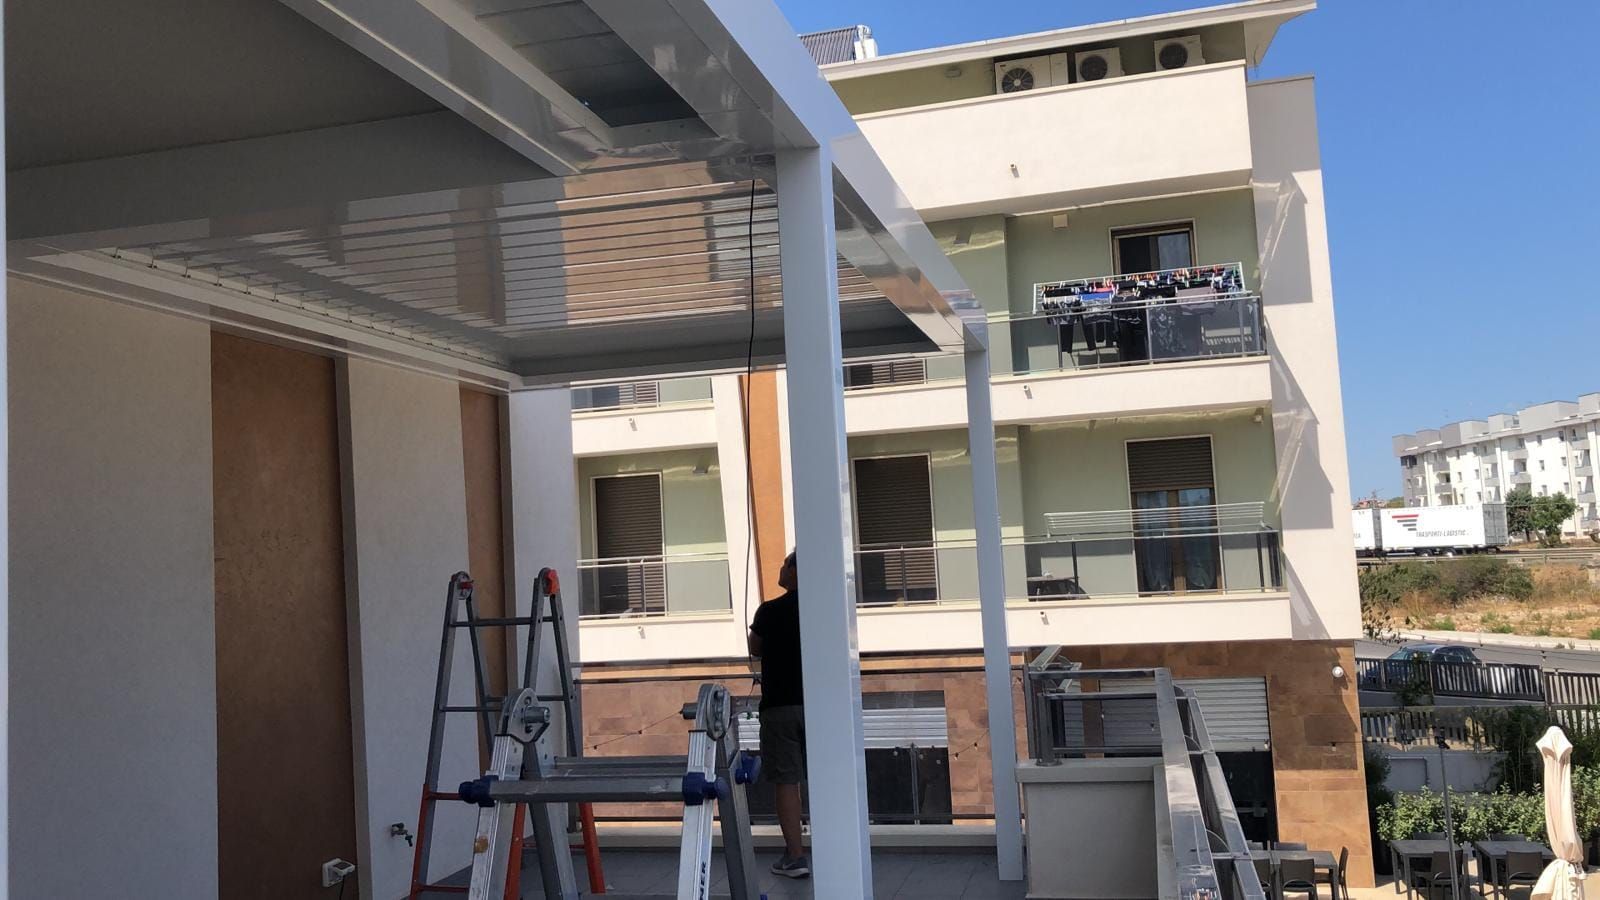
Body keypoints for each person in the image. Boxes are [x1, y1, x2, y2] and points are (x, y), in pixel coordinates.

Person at [747, 550, 809, 878]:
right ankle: (835, 847)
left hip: (780, 707)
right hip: (819, 707)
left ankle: (795, 856)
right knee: (824, 776)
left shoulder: (769, 611)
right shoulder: (822, 609)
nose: (781, 567)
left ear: (797, 571)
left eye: (786, 563)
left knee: (786, 780)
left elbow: (754, 648)